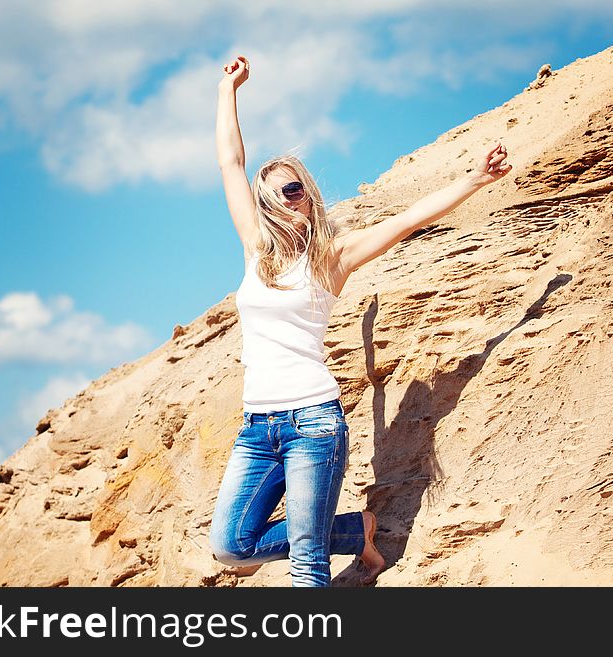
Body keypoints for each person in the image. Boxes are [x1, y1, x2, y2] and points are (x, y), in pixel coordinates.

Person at [208, 55, 512, 587]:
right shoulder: (256, 250)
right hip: (257, 426)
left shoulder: (332, 257)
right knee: (232, 547)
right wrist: (226, 90)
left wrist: (474, 179)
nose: (282, 200)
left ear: (306, 195)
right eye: (272, 194)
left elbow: (408, 220)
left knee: (306, 558)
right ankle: (355, 532)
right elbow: (231, 164)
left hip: (313, 423)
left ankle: (334, 545)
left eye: (292, 188)